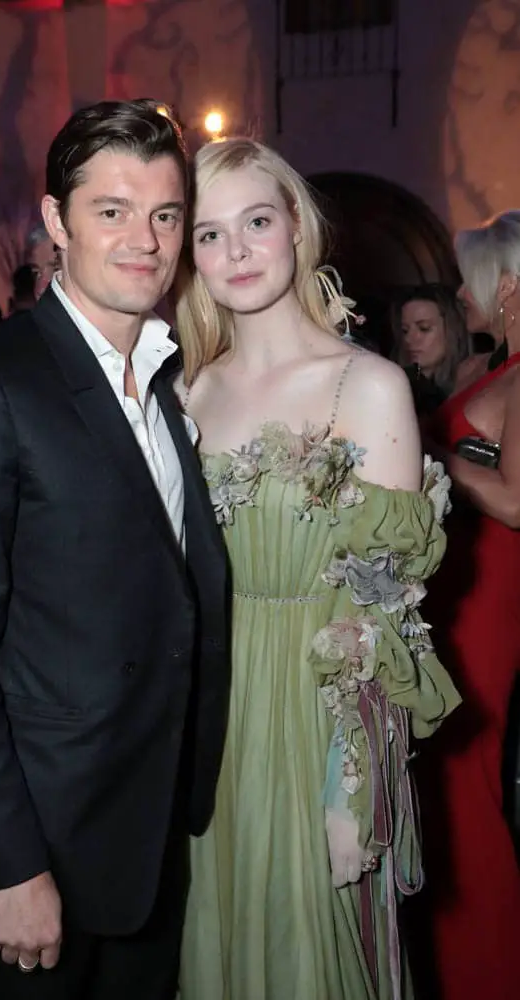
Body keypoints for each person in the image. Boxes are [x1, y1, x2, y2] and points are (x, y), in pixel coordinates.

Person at [0, 99, 230, 1000]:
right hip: (42, 845)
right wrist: (9, 864)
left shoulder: (165, 381)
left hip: (150, 831)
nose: (145, 241)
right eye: (111, 211)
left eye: (165, 214)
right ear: (56, 221)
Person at [174, 138, 460, 1000]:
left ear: (296, 226)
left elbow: (385, 608)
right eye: (209, 233)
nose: (236, 251)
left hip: (311, 722)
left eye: (256, 222)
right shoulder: (186, 391)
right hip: (208, 725)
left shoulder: (366, 386)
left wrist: (353, 787)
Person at [412, 210, 520, 1000]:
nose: (459, 294)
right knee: (446, 795)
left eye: (470, 281)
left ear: (508, 286)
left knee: (466, 789)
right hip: (457, 595)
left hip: (488, 602)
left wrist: (423, 450)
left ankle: (487, 975)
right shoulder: (492, 370)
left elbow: (516, 502)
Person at [391, 284, 470, 417]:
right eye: (405, 331)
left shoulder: (470, 389)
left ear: (453, 331)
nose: (409, 339)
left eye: (424, 328)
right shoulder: (395, 385)